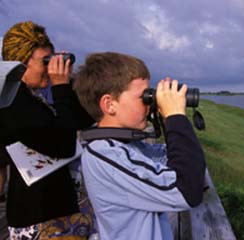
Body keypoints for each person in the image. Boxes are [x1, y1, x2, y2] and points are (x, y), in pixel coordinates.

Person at [73, 52, 206, 240]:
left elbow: (188, 162)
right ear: (110, 104)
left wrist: (169, 119)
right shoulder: (106, 154)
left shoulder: (126, 146)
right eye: (143, 97)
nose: (149, 104)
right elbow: (187, 191)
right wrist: (175, 116)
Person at [0, 21, 94, 239]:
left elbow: (81, 119)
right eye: (45, 61)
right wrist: (59, 87)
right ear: (20, 63)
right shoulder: (10, 102)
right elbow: (64, 144)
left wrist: (67, 83)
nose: (49, 68)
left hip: (58, 210)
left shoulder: (36, 96)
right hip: (37, 217)